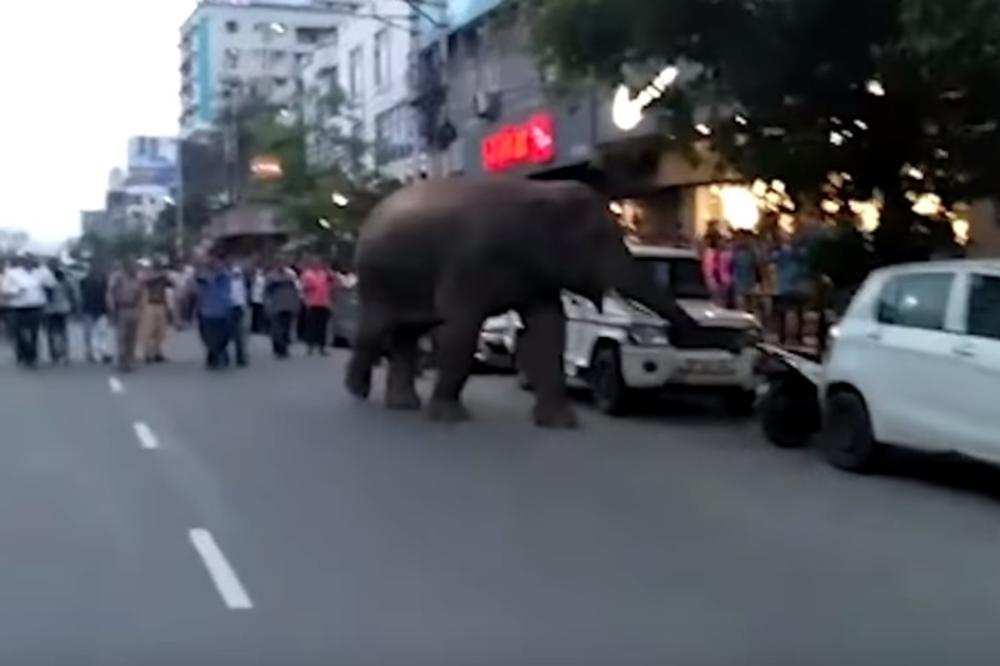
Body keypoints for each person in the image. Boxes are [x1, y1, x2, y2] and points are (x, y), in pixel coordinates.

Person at [0, 255, 49, 367]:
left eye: (31, 261)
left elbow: (49, 285)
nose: (29, 263)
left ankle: (32, 356)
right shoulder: (13, 274)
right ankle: (23, 353)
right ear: (22, 263)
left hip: (36, 306)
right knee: (21, 332)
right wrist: (17, 290)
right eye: (27, 261)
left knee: (34, 332)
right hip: (19, 306)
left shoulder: (40, 273)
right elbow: (5, 289)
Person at [195, 255, 234, 370]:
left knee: (224, 336)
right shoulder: (204, 276)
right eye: (211, 263)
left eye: (216, 263)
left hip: (222, 310)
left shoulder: (224, 275)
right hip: (207, 311)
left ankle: (219, 354)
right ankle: (214, 356)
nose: (214, 265)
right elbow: (197, 286)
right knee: (208, 337)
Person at [108, 259, 146, 372]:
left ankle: (129, 361)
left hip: (134, 310)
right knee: (122, 337)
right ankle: (121, 361)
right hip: (122, 309)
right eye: (131, 266)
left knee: (132, 338)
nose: (133, 269)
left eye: (135, 266)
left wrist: (140, 309)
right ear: (126, 267)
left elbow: (142, 295)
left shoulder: (139, 281)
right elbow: (111, 293)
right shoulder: (119, 279)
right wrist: (112, 307)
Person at [771, 233, 807, 346]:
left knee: (783, 312)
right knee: (797, 312)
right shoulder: (801, 253)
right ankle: (797, 337)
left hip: (783, 286)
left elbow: (771, 262)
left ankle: (783, 337)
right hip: (798, 286)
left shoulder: (779, 254)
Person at [264, 257, 301, 359]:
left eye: (283, 263)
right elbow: (267, 292)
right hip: (276, 305)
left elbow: (295, 291)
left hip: (287, 305)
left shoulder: (290, 276)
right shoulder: (271, 276)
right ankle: (278, 348)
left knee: (286, 328)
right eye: (279, 263)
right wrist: (267, 304)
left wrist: (295, 305)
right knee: (277, 329)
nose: (281, 265)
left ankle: (284, 349)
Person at [80, 262, 113, 364]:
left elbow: (107, 295)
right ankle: (96, 354)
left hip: (101, 310)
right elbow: (82, 296)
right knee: (93, 333)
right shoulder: (84, 281)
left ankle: (103, 353)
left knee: (102, 332)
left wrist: (109, 308)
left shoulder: (104, 280)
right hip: (89, 310)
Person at [141, 259, 173, 363]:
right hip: (150, 304)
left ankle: (158, 353)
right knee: (149, 330)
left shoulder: (164, 276)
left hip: (161, 304)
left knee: (160, 331)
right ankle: (147, 353)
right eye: (158, 264)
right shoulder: (149, 274)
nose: (159, 266)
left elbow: (171, 284)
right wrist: (159, 276)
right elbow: (146, 281)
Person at [300, 256, 333, 355]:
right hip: (312, 303)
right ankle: (310, 346)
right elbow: (304, 288)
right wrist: (309, 288)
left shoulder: (324, 274)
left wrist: (329, 273)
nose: (317, 264)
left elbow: (332, 284)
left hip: (324, 303)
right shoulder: (307, 274)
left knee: (322, 327)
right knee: (311, 326)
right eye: (315, 263)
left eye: (319, 263)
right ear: (311, 264)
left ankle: (322, 347)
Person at [43, 265, 76, 364]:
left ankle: (54, 355)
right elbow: (73, 296)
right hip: (63, 310)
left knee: (52, 333)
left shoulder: (49, 284)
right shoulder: (67, 284)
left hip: (51, 310)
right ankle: (64, 355)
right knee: (62, 333)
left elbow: (46, 297)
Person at [731, 232, 760, 313]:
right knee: (741, 306)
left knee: (752, 307)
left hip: (750, 283)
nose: (741, 241)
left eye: (743, 238)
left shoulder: (752, 252)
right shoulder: (734, 252)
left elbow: (758, 266)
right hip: (739, 284)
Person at [228, 260, 250, 367]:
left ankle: (240, 357)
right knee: (235, 334)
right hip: (230, 307)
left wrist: (244, 306)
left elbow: (242, 295)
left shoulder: (239, 281)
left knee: (238, 334)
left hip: (237, 308)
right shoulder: (228, 280)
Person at [249, 264, 267, 335]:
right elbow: (252, 285)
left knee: (260, 314)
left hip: (261, 298)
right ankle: (254, 328)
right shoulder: (256, 277)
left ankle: (259, 328)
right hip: (255, 297)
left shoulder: (265, 277)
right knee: (255, 314)